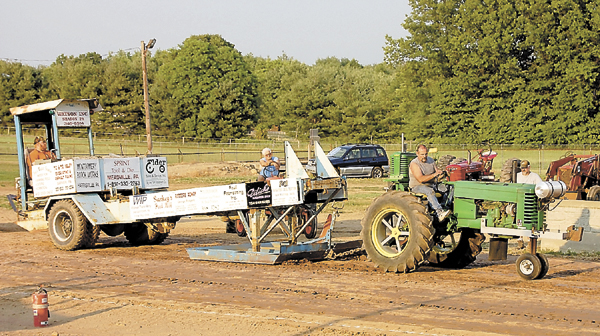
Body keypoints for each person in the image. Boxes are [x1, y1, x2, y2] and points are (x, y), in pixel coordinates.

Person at [409, 144, 451, 221]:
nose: (424, 156)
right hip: (418, 186)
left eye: (426, 154)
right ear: (417, 153)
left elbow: (436, 173)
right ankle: (439, 212)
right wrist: (435, 174)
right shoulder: (414, 164)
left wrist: (442, 173)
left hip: (432, 184)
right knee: (429, 191)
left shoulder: (431, 161)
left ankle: (445, 207)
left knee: (450, 187)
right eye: (422, 154)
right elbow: (421, 179)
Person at [515, 160, 543, 249]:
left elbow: (540, 186)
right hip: (520, 201)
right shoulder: (517, 176)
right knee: (520, 221)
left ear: (529, 167)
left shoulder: (534, 176)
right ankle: (520, 239)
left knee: (530, 221)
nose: (523, 170)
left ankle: (530, 240)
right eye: (522, 168)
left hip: (530, 201)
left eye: (525, 168)